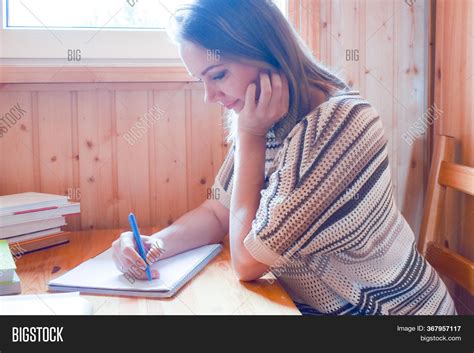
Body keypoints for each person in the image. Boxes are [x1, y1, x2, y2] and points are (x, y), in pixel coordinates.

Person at [112, 0, 456, 315]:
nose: (209, 96)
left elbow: (248, 261)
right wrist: (154, 244)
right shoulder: (265, 119)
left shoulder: (341, 125)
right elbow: (220, 211)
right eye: (201, 81)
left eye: (218, 75)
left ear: (267, 52)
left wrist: (249, 137)